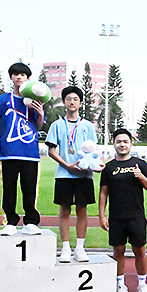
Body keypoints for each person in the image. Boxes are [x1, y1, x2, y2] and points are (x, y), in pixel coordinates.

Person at [99, 129, 147, 292]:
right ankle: (120, 285)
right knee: (118, 251)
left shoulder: (140, 164)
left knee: (140, 250)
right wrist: (102, 215)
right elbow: (103, 192)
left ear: (131, 144)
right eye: (118, 142)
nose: (122, 145)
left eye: (125, 141)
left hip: (136, 216)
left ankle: (142, 285)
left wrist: (141, 177)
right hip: (116, 217)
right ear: (114, 144)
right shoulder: (108, 168)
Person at [0, 62, 44, 236]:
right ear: (11, 77)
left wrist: (41, 113)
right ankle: (10, 222)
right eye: (15, 74)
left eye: (23, 74)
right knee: (9, 189)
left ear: (28, 78)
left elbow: (39, 126)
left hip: (30, 153)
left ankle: (31, 221)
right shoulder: (4, 99)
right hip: (9, 152)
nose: (19, 77)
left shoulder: (34, 100)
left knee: (30, 189)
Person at [46, 86, 99, 262]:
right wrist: (67, 165)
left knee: (82, 210)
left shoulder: (88, 126)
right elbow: (51, 150)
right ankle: (66, 249)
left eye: (76, 99)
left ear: (81, 103)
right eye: (68, 98)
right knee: (64, 210)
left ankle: (80, 249)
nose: (72, 102)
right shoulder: (56, 125)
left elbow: (93, 151)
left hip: (84, 176)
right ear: (63, 102)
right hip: (64, 175)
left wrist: (92, 166)